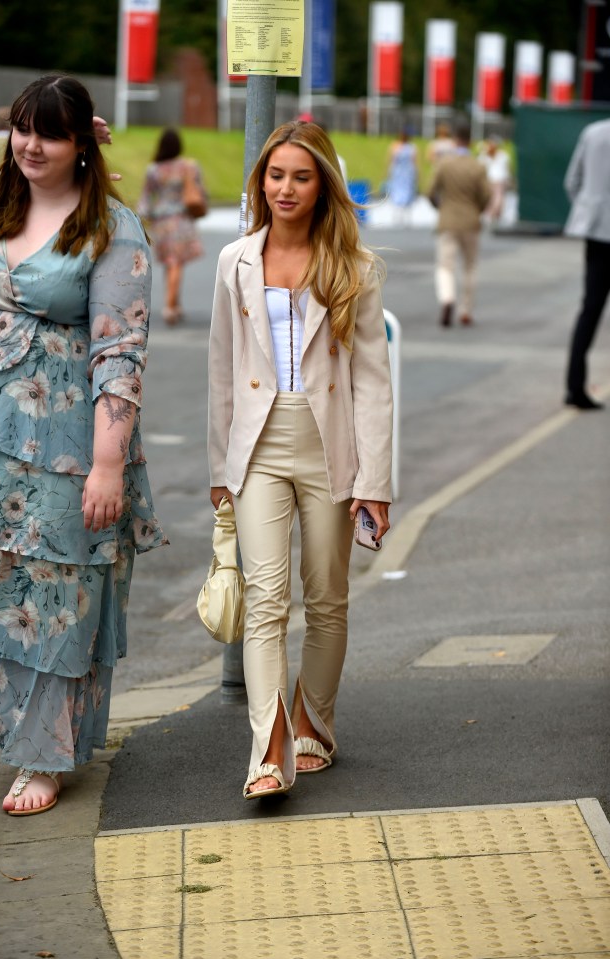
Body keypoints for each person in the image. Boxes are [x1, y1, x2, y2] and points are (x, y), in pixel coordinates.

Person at [0, 75, 168, 816]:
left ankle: (45, 755)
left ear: (81, 141)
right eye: (22, 129)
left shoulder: (114, 229)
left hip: (63, 447)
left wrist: (107, 464)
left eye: (50, 133)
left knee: (55, 595)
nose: (31, 146)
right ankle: (5, 730)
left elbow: (121, 352)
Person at [207, 120, 393, 800]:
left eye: (300, 176)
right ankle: (268, 747)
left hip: (330, 446)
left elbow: (373, 380)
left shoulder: (354, 267)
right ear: (260, 181)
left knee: (325, 596)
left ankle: (316, 718)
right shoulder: (235, 260)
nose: (284, 187)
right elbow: (222, 370)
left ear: (322, 186)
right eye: (274, 174)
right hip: (256, 447)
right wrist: (217, 469)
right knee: (264, 599)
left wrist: (375, 481)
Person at [562, 117, 610, 410]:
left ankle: (574, 386)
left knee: (590, 310)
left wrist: (587, 209)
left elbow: (572, 182)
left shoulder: (592, 132)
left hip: (596, 231)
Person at [137, 128, 204, 325]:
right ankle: (170, 306)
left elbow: (146, 198)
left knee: (170, 262)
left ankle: (175, 303)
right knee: (176, 262)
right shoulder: (189, 167)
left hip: (161, 222)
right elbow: (199, 190)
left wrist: (142, 217)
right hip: (181, 220)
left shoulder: (154, 169)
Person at [427, 122, 491, 327]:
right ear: (470, 141)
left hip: (448, 220)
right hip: (471, 221)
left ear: (455, 140)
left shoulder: (444, 164)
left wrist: (439, 207)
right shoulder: (478, 167)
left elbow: (430, 190)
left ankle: (447, 298)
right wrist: (477, 210)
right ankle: (466, 310)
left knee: (445, 266)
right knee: (470, 267)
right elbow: (487, 195)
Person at [386, 130, 419, 225]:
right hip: (407, 172)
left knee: (398, 190)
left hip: (399, 172)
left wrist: (388, 172)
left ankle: (398, 213)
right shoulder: (411, 147)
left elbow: (391, 160)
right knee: (406, 191)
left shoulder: (396, 146)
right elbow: (414, 162)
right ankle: (405, 213)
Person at [478, 134, 511, 225]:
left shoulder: (502, 155)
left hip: (497, 179)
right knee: (495, 198)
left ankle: (493, 214)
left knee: (496, 198)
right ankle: (491, 214)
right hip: (493, 179)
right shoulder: (486, 155)